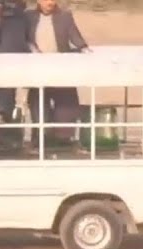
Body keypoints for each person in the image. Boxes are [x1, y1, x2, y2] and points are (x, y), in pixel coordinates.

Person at [27, 0, 89, 143]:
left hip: (61, 70)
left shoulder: (64, 16)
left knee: (66, 106)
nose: (50, 2)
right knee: (38, 106)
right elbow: (24, 38)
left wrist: (85, 49)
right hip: (38, 70)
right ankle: (40, 139)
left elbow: (76, 37)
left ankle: (63, 140)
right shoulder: (29, 16)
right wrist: (32, 49)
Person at [0, 0, 31, 118]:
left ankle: (8, 117)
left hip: (19, 63)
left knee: (14, 100)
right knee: (2, 98)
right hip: (2, 64)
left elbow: (26, 38)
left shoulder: (22, 17)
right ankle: (0, 115)